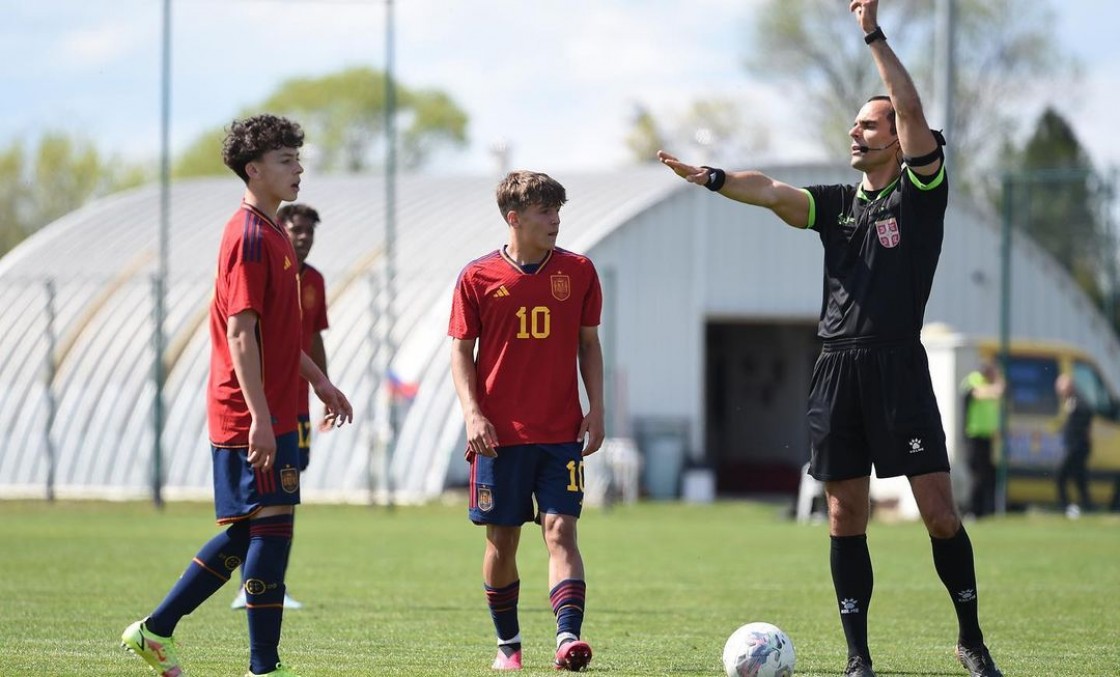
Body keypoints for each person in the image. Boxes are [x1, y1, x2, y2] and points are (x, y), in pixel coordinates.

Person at [658, 2, 1001, 675]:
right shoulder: (839, 205)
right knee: (845, 516)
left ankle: (971, 638)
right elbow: (774, 193)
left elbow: (908, 106)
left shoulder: (920, 192)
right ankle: (858, 657)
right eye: (856, 124)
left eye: (869, 124)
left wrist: (873, 35)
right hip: (836, 370)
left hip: (898, 366)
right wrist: (717, 178)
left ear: (900, 139)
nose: (857, 130)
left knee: (937, 513)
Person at [120, 114, 353, 677]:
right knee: (269, 529)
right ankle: (258, 664)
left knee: (258, 528)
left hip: (269, 407)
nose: (298, 169)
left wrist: (318, 380)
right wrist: (258, 417)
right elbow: (241, 331)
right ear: (253, 170)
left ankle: (158, 631)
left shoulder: (273, 234)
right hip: (248, 410)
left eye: (298, 158)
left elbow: (276, 332)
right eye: (284, 160)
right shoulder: (249, 237)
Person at [448, 170, 605, 672]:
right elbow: (460, 350)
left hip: (560, 434)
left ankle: (566, 639)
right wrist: (472, 414)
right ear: (514, 218)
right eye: (545, 212)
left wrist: (596, 407)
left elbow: (588, 344)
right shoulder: (477, 277)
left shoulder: (579, 271)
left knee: (561, 531)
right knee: (503, 539)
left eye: (558, 210)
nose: (556, 220)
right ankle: (508, 645)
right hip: (500, 437)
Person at [231, 203, 330, 611]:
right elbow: (241, 335)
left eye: (310, 230)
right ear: (281, 229)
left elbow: (314, 338)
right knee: (255, 495)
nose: (304, 236)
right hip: (263, 402)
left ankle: (274, 584)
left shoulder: (314, 281)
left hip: (298, 405)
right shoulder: (261, 265)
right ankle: (250, 584)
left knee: (287, 495)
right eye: (297, 228)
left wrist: (325, 387)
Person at [960, 363, 1003, 518]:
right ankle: (972, 511)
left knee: (989, 474)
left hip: (987, 436)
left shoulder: (988, 384)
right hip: (974, 436)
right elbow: (978, 393)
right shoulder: (974, 380)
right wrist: (996, 385)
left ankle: (986, 511)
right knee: (976, 475)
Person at [1055, 374, 1094, 518]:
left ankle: (1065, 506)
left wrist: (1081, 431)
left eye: (1061, 388)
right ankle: (1088, 507)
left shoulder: (1077, 400)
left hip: (1077, 447)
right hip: (1074, 446)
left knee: (1061, 476)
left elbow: (1087, 413)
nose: (1059, 392)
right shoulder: (1070, 400)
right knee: (1080, 479)